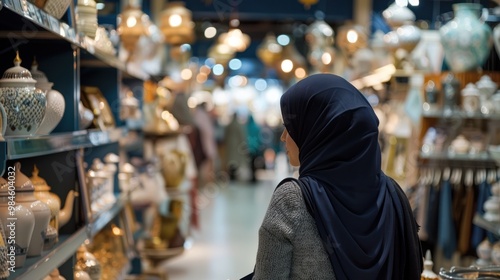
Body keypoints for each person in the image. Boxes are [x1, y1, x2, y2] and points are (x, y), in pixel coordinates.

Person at [247, 74, 423, 279]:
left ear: (319, 132)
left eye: (291, 127)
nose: (283, 137)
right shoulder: (393, 197)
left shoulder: (292, 201)